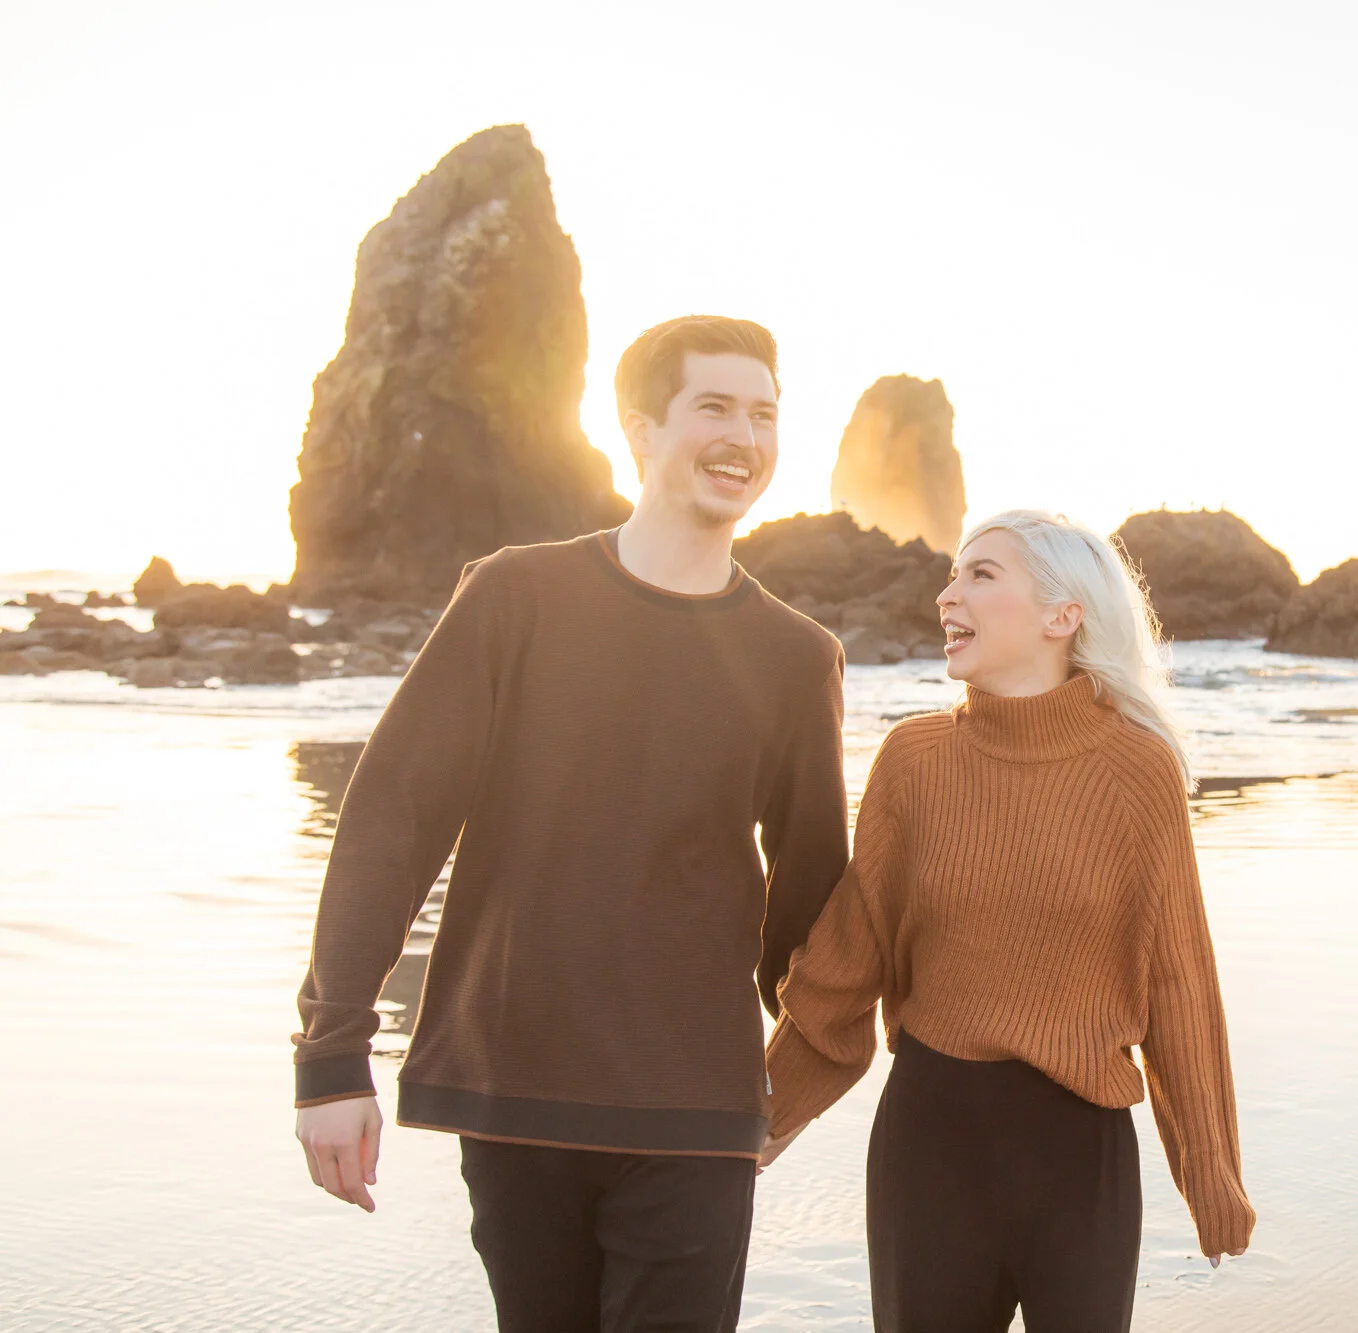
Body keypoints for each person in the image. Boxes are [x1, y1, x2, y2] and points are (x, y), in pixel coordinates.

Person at [290, 315, 849, 1333]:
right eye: (713, 407)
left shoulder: (793, 656)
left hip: (694, 1109)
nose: (744, 436)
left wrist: (799, 1078)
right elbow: (393, 820)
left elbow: (811, 903)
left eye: (764, 414)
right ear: (638, 429)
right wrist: (331, 1053)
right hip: (515, 1089)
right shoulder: (515, 597)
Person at [759, 510, 1255, 1332]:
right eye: (952, 574)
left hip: (1079, 1159)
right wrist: (772, 1108)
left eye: (981, 574)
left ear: (1065, 614)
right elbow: (850, 959)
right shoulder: (913, 761)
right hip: (932, 1145)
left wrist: (1210, 1170)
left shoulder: (1139, 770)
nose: (947, 594)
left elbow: (1178, 977)